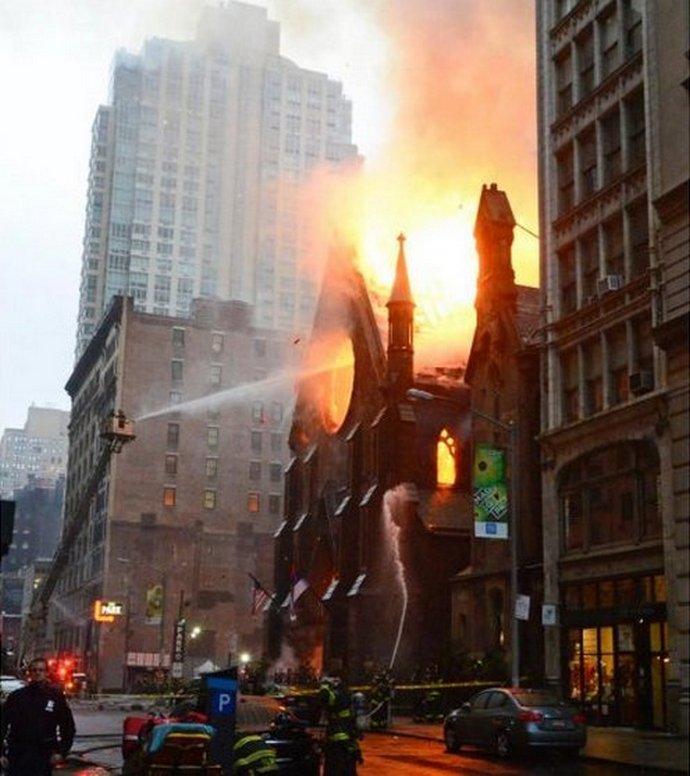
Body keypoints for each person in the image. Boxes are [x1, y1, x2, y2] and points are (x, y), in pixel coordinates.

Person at [0, 656, 76, 775]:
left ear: (47, 673)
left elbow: (67, 727)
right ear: (29, 673)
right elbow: (2, 724)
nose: (37, 673)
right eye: (34, 670)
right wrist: (1, 753)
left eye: (41, 670)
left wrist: (62, 752)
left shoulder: (55, 697)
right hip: (18, 754)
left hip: (44, 755)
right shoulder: (16, 697)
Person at [319, 675, 362, 776]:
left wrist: (324, 684)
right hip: (344, 735)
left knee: (336, 767)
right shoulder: (345, 692)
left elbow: (324, 698)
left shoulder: (339, 693)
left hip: (338, 741)